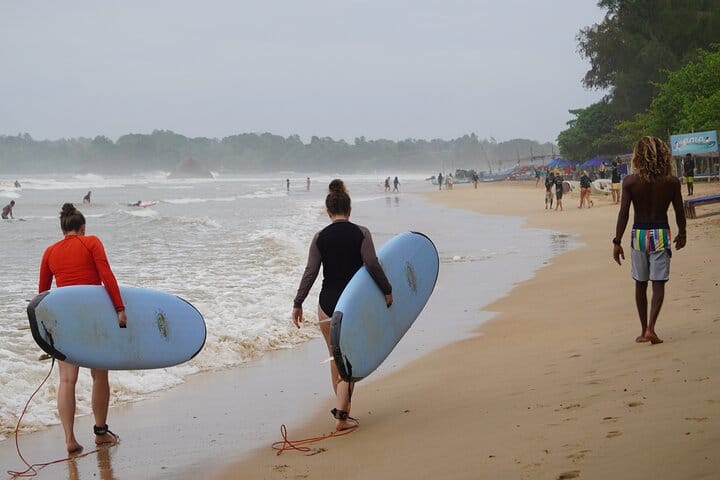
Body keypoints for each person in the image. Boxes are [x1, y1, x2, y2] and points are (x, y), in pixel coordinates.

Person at [292, 180, 393, 431]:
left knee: (334, 357)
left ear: (328, 212)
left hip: (327, 305)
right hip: (353, 304)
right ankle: (342, 415)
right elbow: (372, 264)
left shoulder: (320, 237)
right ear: (349, 209)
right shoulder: (361, 233)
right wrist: (387, 290)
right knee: (351, 357)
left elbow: (310, 272)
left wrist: (298, 303)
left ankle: (343, 412)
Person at [38, 203, 127, 453]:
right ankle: (100, 433)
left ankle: (69, 439)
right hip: (92, 318)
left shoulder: (50, 252)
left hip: (64, 322)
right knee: (99, 375)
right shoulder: (92, 242)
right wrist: (120, 309)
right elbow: (106, 276)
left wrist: (44, 330)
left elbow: (43, 294)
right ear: (83, 228)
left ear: (63, 230)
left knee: (67, 380)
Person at [613, 136, 686, 345]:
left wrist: (617, 241)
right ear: (663, 155)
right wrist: (682, 233)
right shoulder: (671, 182)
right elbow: (679, 211)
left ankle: (643, 328)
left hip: (639, 234)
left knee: (640, 282)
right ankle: (651, 328)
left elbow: (624, 213)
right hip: (661, 233)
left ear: (638, 156)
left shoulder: (630, 182)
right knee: (658, 283)